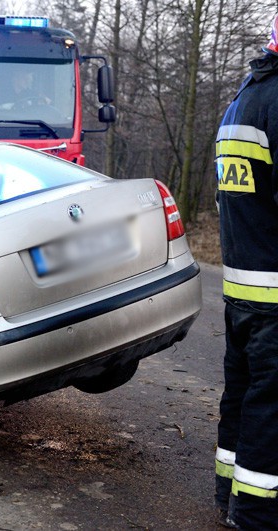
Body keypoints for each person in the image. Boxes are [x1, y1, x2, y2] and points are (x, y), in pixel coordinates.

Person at [214, 13, 278, 530]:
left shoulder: (245, 97)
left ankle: (227, 495)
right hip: (275, 292)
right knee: (270, 405)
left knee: (242, 393)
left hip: (243, 285)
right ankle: (256, 514)